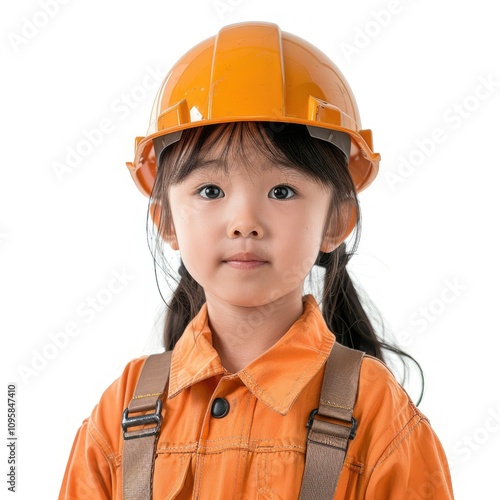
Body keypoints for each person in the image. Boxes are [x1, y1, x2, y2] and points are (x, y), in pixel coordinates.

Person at [59, 22, 454, 499]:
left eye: (282, 191)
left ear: (337, 219)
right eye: (210, 190)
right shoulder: (123, 411)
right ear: (165, 219)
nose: (244, 221)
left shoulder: (376, 414)